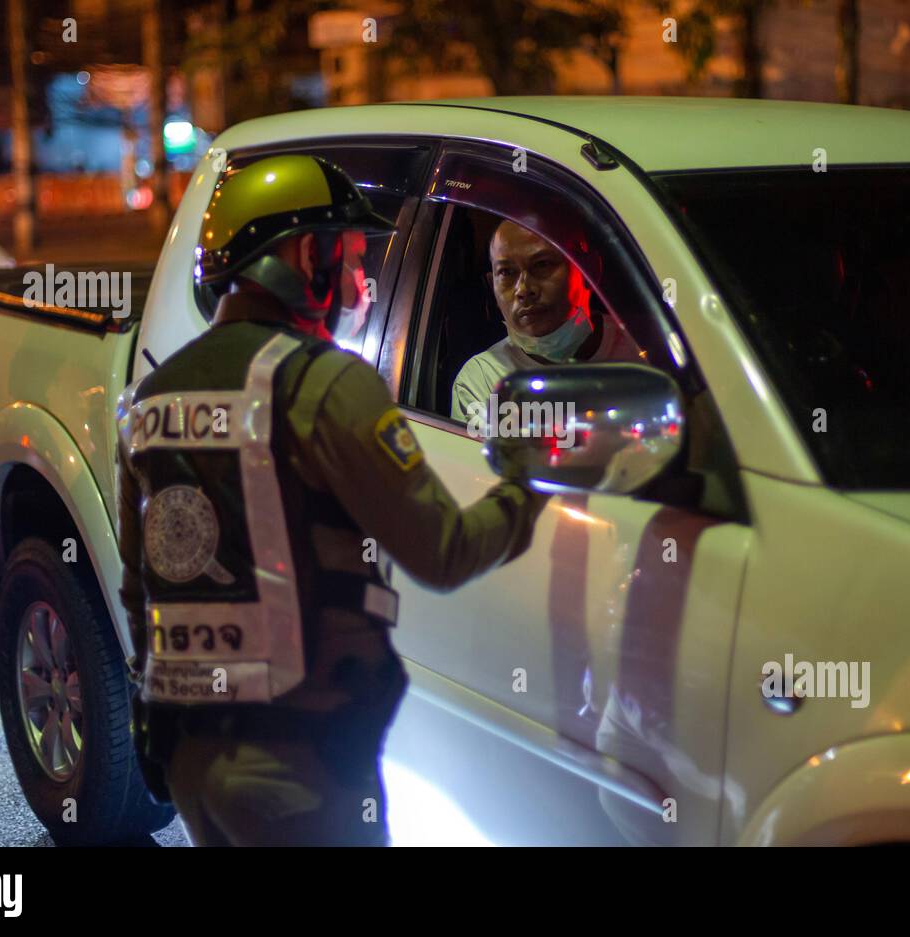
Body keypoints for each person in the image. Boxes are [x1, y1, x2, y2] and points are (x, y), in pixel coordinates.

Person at [116, 154, 547, 846]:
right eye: (346, 257)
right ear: (300, 256)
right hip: (299, 768)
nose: (359, 283)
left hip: (189, 758)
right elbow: (443, 552)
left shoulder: (151, 397)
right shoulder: (324, 385)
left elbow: (140, 588)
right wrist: (531, 480)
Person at [450, 220, 639, 421]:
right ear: (492, 285)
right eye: (506, 272)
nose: (523, 289)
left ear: (589, 270)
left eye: (542, 264)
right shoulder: (481, 382)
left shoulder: (641, 351)